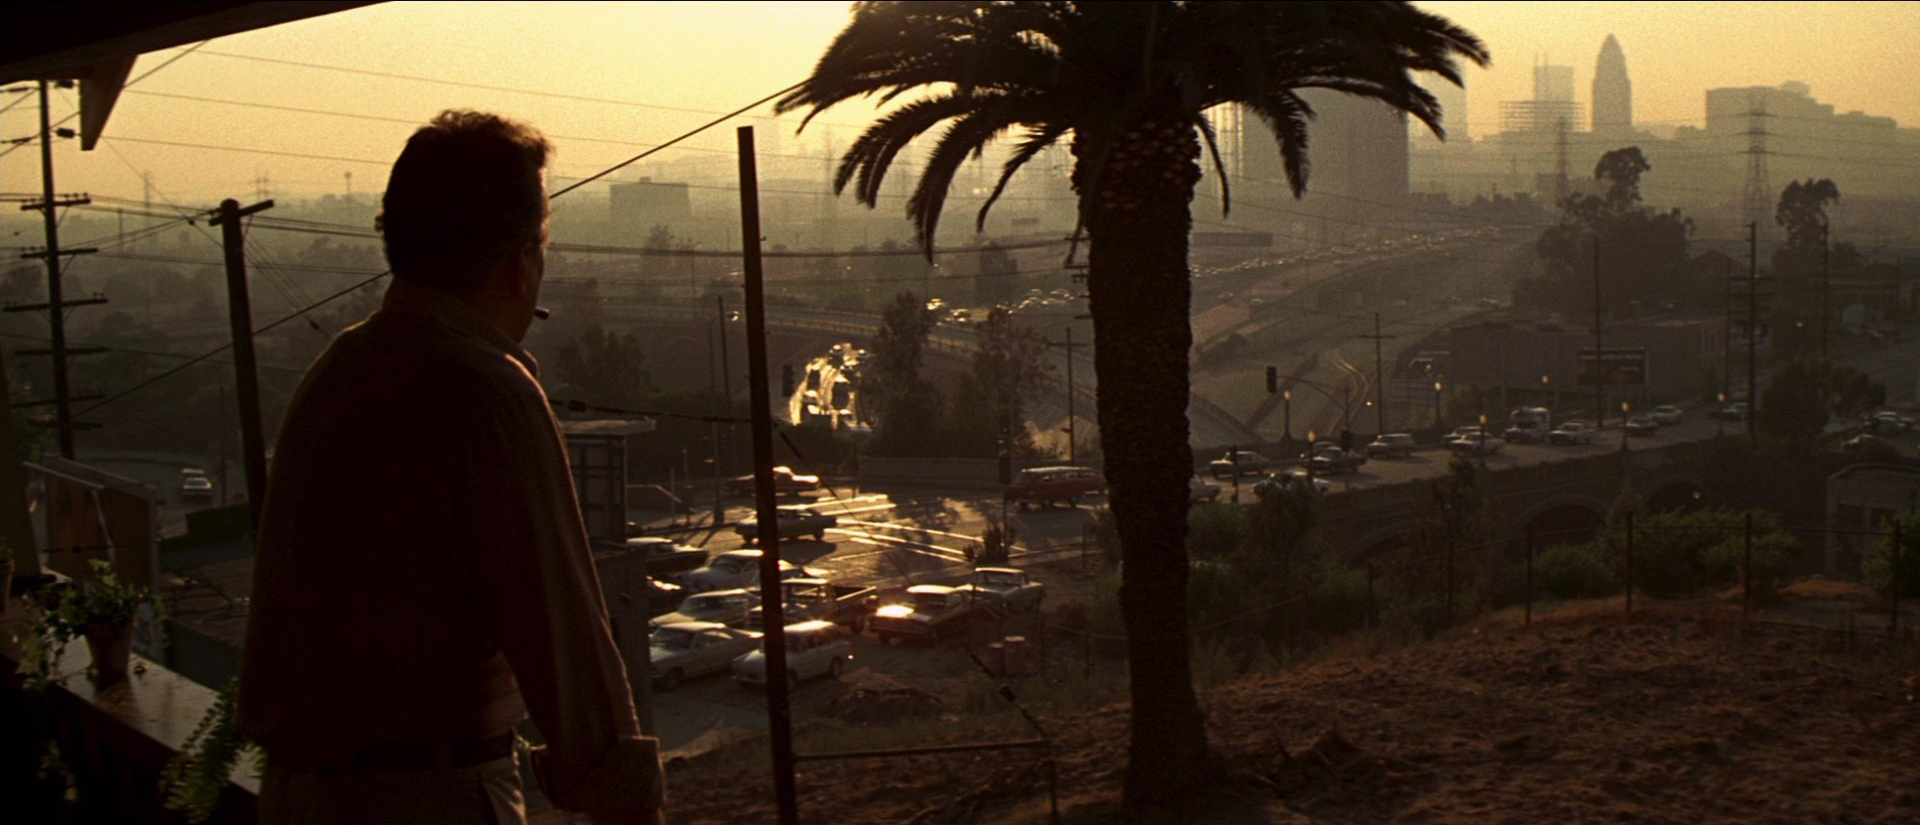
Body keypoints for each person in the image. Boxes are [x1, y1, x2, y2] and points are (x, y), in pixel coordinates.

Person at [239, 110, 664, 824]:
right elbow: (570, 656)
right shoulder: (487, 394)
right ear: (519, 263)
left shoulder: (337, 372)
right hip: (429, 795)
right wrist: (627, 801)